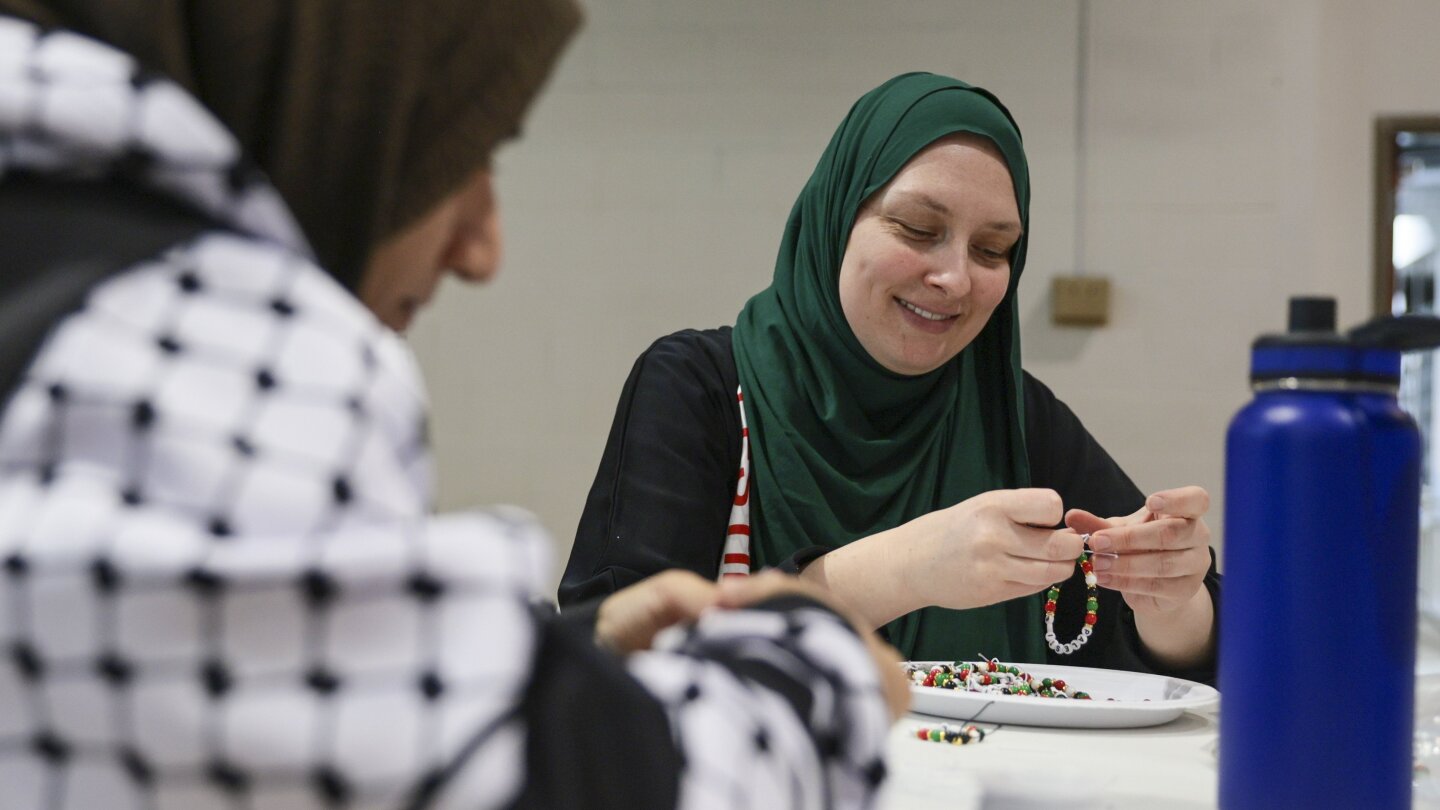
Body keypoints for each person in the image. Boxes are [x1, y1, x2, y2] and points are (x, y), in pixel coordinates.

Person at [0, 3, 907, 809]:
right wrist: (812, 666)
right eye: (458, 148)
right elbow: (521, 779)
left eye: (997, 248)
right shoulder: (200, 335)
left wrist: (561, 657)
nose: (483, 250)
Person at [561, 72, 1219, 680]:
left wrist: (1169, 597)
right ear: (836, 218)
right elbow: (609, 654)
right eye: (916, 228)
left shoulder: (1011, 415)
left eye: (993, 251)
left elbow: (1190, 660)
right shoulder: (699, 391)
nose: (956, 278)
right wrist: (907, 568)